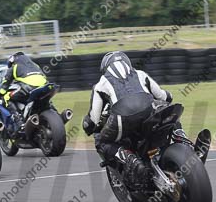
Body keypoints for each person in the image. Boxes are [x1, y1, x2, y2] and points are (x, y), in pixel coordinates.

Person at [82, 51, 191, 184]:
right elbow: (164, 96)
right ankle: (181, 137)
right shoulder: (140, 74)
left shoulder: (101, 84)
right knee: (166, 110)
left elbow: (93, 119)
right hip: (148, 111)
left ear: (105, 68)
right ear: (127, 62)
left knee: (101, 141)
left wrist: (87, 125)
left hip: (122, 119)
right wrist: (168, 95)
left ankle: (128, 158)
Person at [0, 51, 48, 125]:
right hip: (45, 86)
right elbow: (44, 77)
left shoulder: (14, 67)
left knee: (6, 97)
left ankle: (18, 121)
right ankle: (54, 112)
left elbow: (3, 89)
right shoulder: (35, 65)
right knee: (45, 98)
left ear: (12, 61)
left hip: (30, 87)